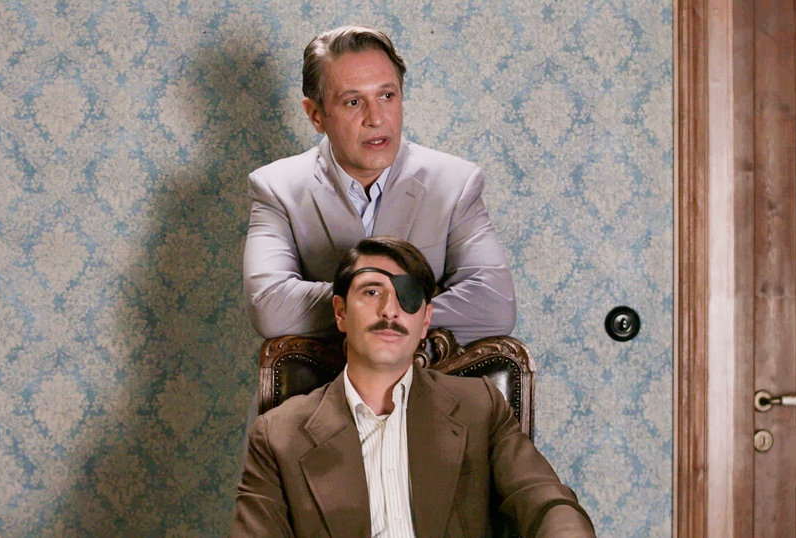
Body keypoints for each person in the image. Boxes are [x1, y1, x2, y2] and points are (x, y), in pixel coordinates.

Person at [231, 237, 595, 538]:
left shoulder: (480, 407)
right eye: (372, 291)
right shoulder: (278, 435)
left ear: (424, 321)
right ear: (340, 312)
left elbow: (543, 499)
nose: (390, 310)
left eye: (407, 296)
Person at [243, 25, 515, 345]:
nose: (376, 118)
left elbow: (495, 307)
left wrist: (356, 305)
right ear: (315, 115)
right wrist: (414, 296)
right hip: (327, 379)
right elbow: (269, 308)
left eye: (387, 96)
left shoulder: (456, 184)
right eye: (353, 102)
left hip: (426, 376)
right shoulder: (276, 188)